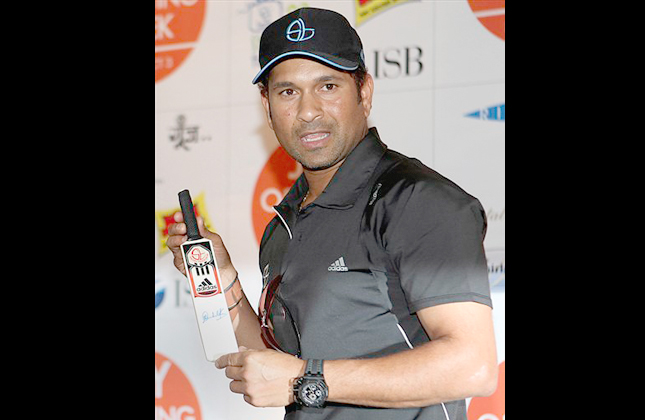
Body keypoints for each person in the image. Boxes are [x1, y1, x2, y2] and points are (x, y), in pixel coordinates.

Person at [167, 7, 498, 420]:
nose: (308, 111)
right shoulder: (284, 224)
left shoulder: (417, 200)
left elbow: (473, 366)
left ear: (364, 92)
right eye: (288, 92)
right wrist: (225, 283)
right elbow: (280, 366)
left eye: (327, 85)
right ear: (266, 107)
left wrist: (305, 378)